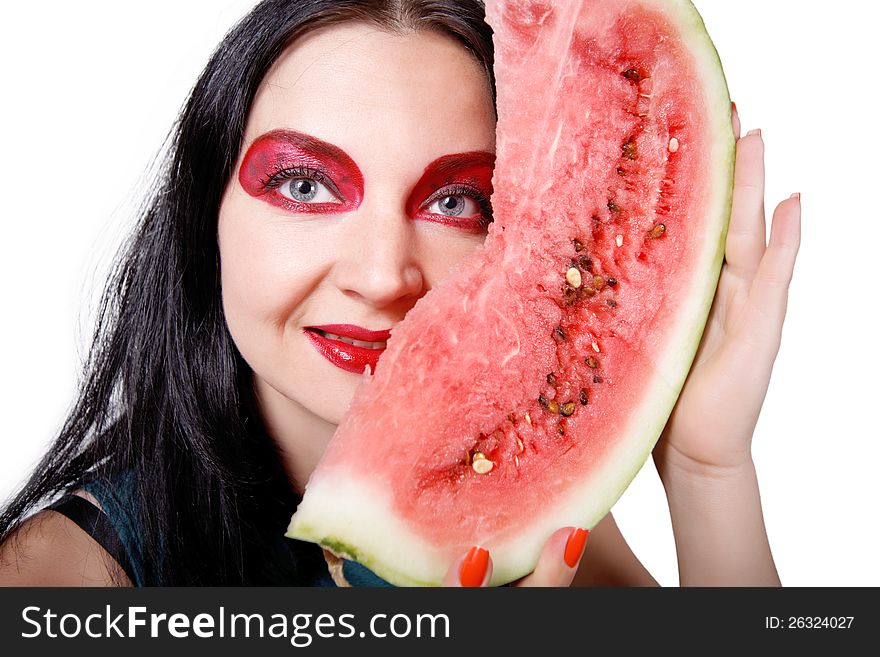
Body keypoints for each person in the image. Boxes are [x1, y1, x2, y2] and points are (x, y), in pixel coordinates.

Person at [0, 0, 799, 587]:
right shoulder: (59, 574)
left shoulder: (533, 527)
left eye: (457, 201)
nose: (383, 275)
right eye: (305, 184)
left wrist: (705, 471)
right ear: (204, 211)